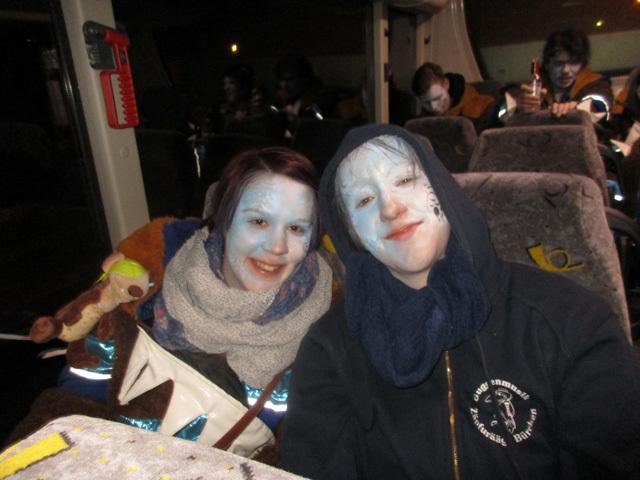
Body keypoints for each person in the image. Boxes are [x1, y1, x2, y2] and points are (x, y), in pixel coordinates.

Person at [280, 123, 640, 478]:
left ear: (442, 186)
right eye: (364, 200)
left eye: (405, 180)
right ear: (350, 233)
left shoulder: (571, 320)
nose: (390, 208)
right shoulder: (330, 348)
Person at [16, 146, 333, 450]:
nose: (277, 246)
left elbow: (300, 450)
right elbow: (74, 405)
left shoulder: (323, 331)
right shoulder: (145, 293)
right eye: (259, 221)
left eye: (296, 228)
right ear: (224, 220)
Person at [510, 29, 613, 119]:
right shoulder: (531, 86)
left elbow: (601, 102)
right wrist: (517, 106)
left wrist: (580, 107)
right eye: (558, 63)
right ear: (547, 64)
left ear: (582, 65)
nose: (566, 70)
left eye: (573, 62)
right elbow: (505, 106)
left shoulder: (595, 83)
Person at [411, 62, 497, 132]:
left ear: (446, 84)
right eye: (426, 103)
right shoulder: (419, 122)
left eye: (437, 98)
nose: (433, 108)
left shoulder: (485, 108)